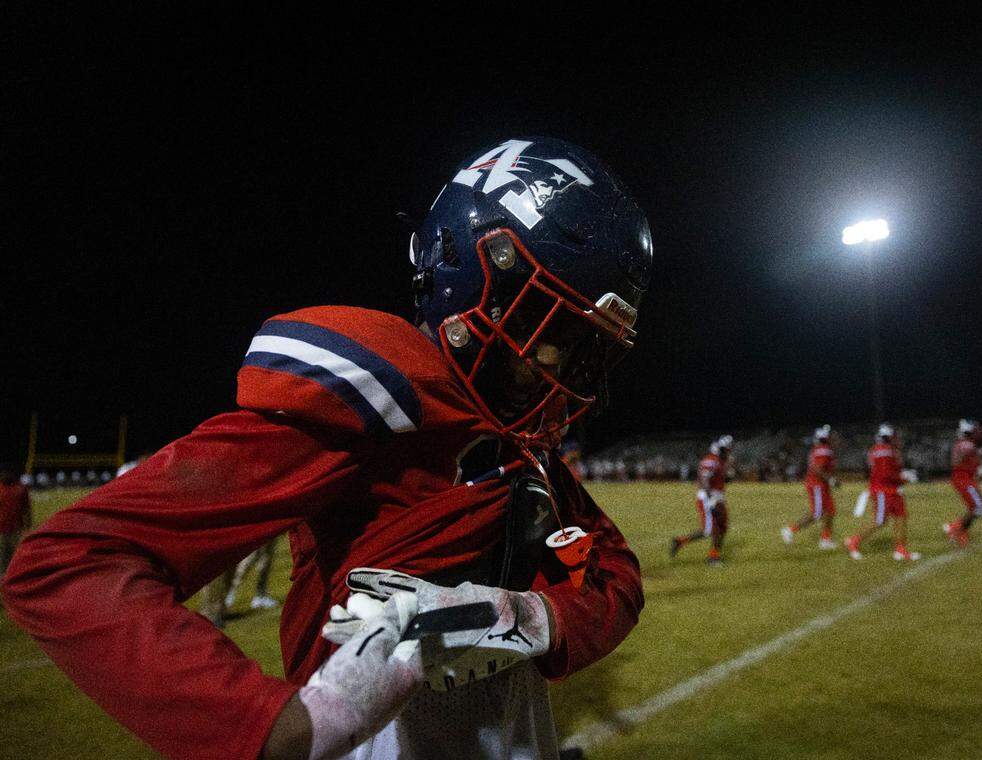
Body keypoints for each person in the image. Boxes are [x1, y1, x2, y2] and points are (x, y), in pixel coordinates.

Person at [3, 137, 652, 760]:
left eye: (589, 347)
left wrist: (526, 618)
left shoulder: (516, 437)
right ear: (479, 280)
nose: (567, 368)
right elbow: (71, 563)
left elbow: (615, 575)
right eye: (558, 331)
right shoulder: (381, 400)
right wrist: (285, 724)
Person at [844, 424, 921, 561]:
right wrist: (904, 478)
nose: (896, 439)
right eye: (894, 436)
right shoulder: (886, 450)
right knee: (880, 520)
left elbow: (884, 470)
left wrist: (902, 476)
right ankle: (853, 541)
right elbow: (886, 474)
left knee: (901, 517)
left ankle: (900, 549)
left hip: (890, 488)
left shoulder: (877, 449)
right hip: (883, 490)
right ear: (888, 437)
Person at [670, 435, 733, 565]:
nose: (729, 452)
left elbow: (720, 479)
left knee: (722, 527)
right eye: (727, 449)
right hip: (708, 497)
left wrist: (729, 476)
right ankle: (712, 558)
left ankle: (712, 554)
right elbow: (704, 481)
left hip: (718, 497)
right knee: (709, 530)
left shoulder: (720, 460)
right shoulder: (711, 459)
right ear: (721, 449)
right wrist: (711, 501)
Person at [781, 425, 838, 550]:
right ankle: (789, 530)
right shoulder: (824, 450)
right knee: (817, 513)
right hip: (817, 484)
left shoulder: (818, 448)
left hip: (820, 484)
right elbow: (817, 469)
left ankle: (826, 539)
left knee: (830, 511)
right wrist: (831, 479)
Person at [943, 419, 982, 547]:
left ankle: (958, 529)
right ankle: (956, 528)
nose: (978, 432)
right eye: (974, 430)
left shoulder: (965, 443)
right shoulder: (967, 445)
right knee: (980, 508)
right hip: (964, 480)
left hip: (965, 479)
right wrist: (981, 461)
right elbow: (968, 457)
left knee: (975, 508)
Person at [0, 463, 32, 575]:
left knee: (14, 554)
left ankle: (14, 574)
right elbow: (27, 509)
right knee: (5, 554)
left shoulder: (20, 489)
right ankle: (5, 575)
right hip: (5, 528)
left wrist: (28, 525)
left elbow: (26, 508)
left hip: (15, 527)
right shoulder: (18, 488)